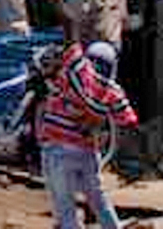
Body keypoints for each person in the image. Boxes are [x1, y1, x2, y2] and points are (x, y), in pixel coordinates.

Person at [37, 35, 139, 229]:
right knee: (98, 200)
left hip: (58, 147)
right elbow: (128, 122)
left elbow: (66, 50)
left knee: (64, 204)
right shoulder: (113, 91)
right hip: (87, 152)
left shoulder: (73, 74)